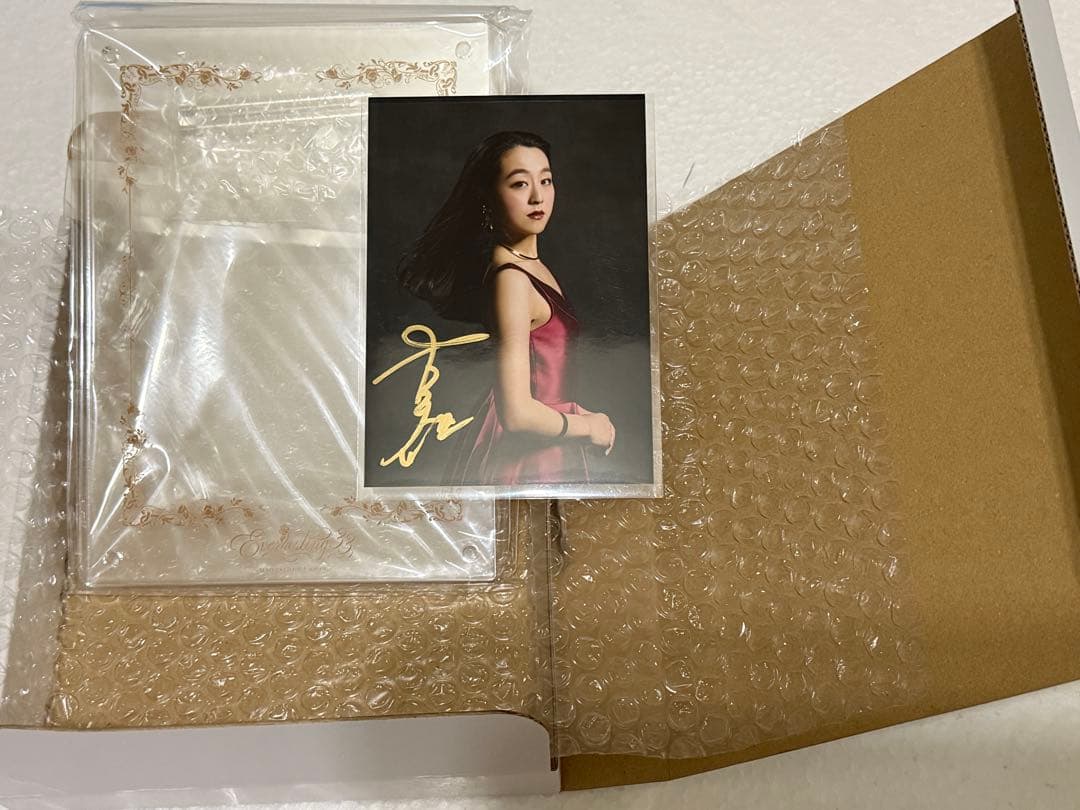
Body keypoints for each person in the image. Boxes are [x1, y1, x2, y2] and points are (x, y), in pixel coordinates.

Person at [398, 130, 616, 486]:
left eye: (546, 181)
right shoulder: (512, 279)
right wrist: (587, 427)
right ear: (489, 197)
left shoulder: (530, 267)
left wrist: (583, 414)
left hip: (549, 435)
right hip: (528, 453)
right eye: (519, 184)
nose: (537, 196)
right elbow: (516, 413)